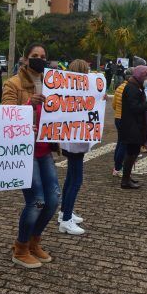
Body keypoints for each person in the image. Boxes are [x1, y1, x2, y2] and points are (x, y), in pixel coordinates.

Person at [2, 43, 60, 269]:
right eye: (34, 56)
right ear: (25, 59)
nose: (39, 59)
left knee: (53, 198)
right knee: (36, 201)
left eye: (43, 56)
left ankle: (34, 241)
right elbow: (6, 115)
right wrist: (28, 105)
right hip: (25, 152)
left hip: (45, 150)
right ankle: (21, 247)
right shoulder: (13, 84)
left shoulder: (53, 84)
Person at [58, 59, 92, 236]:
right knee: (76, 180)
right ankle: (65, 220)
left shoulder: (65, 89)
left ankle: (65, 212)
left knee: (71, 177)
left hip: (70, 140)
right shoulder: (80, 92)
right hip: (75, 141)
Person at [119, 66, 147, 189]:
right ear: (140, 75)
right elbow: (136, 108)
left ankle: (127, 177)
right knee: (132, 153)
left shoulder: (136, 86)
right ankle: (125, 180)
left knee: (133, 152)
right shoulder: (132, 88)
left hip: (134, 125)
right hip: (131, 126)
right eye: (146, 76)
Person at [112, 69, 132, 177]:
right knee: (123, 144)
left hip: (117, 118)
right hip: (125, 119)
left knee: (120, 142)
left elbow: (114, 105)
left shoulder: (119, 87)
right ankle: (118, 168)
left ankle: (116, 165)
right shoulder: (129, 88)